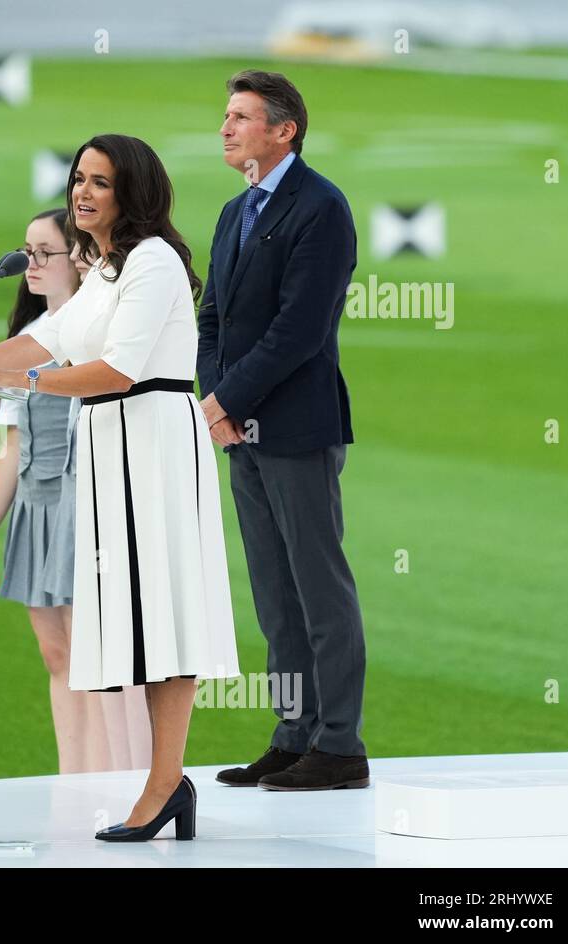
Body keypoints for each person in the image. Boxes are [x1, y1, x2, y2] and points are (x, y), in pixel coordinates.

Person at [0, 134, 240, 841]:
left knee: (163, 618)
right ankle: (166, 783)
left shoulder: (152, 261)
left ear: (131, 192)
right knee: (144, 622)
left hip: (154, 443)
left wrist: (17, 379)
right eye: (78, 179)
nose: (82, 192)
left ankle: (165, 783)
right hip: (112, 446)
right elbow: (47, 339)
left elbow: (118, 369)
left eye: (99, 182)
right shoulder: (106, 269)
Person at [196, 70, 368, 791]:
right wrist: (219, 397)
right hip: (244, 431)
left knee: (317, 588)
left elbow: (299, 331)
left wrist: (222, 401)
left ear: (284, 129)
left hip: (296, 427)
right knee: (274, 591)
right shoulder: (236, 210)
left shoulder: (320, 209)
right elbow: (214, 321)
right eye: (226, 115)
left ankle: (339, 745)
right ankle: (294, 731)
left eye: (240, 116)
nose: (227, 127)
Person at [0, 207, 151, 775]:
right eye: (27, 251)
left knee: (93, 654)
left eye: (45, 252)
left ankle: (118, 779)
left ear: (79, 262)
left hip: (83, 501)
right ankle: (73, 778)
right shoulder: (27, 339)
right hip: (36, 502)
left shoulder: (92, 331)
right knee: (58, 655)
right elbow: (13, 445)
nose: (32, 263)